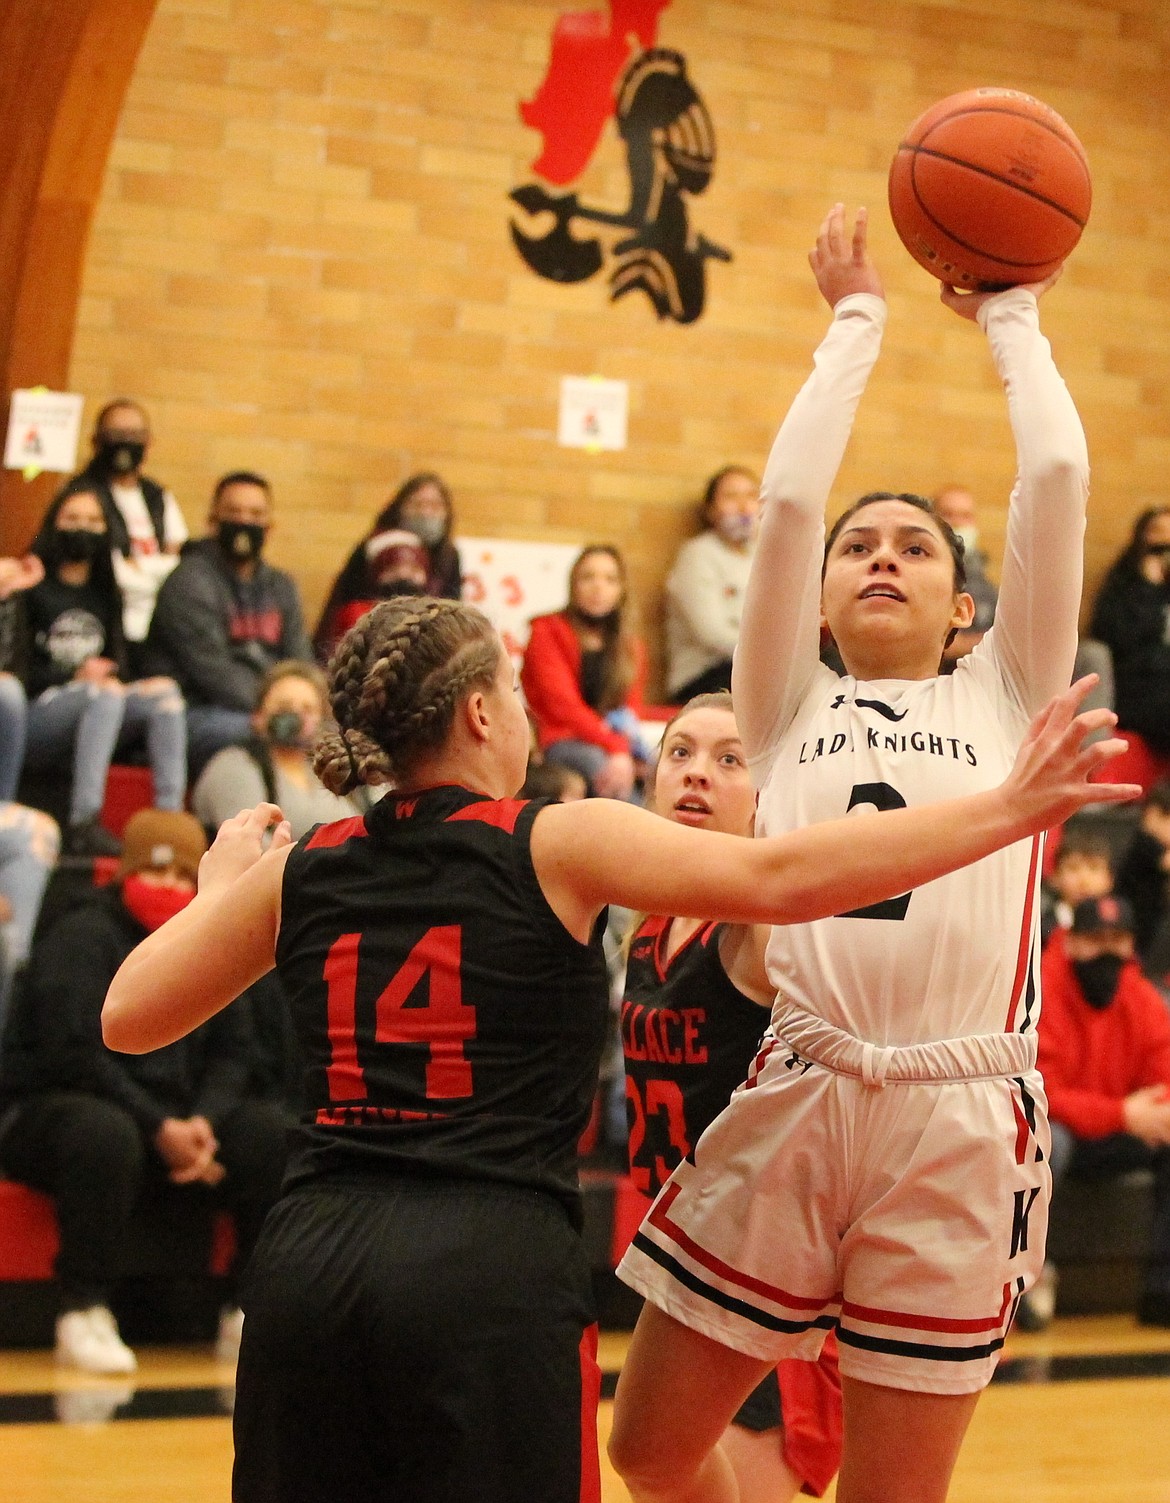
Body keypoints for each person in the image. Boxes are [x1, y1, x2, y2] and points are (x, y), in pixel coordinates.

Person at [99, 596, 1128, 1503]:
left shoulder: (304, 869)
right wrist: (1006, 808)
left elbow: (129, 1018)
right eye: (516, 686)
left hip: (310, 1260)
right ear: (480, 714)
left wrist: (216, 893)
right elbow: (784, 879)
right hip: (484, 1263)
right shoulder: (557, 837)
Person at [608, 205, 1097, 1503]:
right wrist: (855, 325)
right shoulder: (782, 708)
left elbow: (1051, 478)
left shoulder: (1005, 694)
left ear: (963, 608)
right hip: (801, 1082)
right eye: (857, 547)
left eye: (914, 546)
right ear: (816, 598)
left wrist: (1010, 316)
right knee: (645, 1445)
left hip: (957, 1110)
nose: (880, 555)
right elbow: (779, 505)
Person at [624, 690, 841, 1501]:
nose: (696, 775)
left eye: (728, 758)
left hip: (766, 1274)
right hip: (683, 1263)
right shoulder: (650, 921)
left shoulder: (757, 926)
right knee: (652, 1472)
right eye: (678, 752)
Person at [0, 810, 288, 1374]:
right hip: (62, 1108)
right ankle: (83, 1310)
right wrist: (159, 1126)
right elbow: (73, 1054)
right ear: (123, 873)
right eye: (154, 875)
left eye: (182, 877)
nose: (169, 889)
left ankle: (249, 1306)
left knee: (268, 1133)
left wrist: (204, 1120)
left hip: (178, 1116)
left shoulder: (213, 940)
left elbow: (237, 1048)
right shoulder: (83, 932)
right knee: (103, 1134)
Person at [17, 488, 188, 856]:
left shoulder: (105, 592)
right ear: (54, 524)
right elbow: (17, 674)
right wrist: (74, 677)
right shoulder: (33, 588)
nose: (83, 529)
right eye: (73, 519)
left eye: (93, 521)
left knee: (165, 695)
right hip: (37, 715)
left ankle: (168, 819)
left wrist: (132, 683)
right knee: (104, 693)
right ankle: (84, 820)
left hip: (98, 705)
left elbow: (115, 665)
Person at [1028, 895, 1170, 1330]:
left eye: (1118, 939)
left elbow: (1162, 1076)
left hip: (1115, 1130)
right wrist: (1122, 1115)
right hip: (1061, 1130)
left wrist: (1150, 1114)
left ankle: (1160, 1293)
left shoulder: (1141, 997)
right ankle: (1029, 1281)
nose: (1107, 950)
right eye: (1095, 939)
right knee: (1043, 1140)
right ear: (1071, 941)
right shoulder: (1041, 990)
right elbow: (1041, 1092)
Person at [145, 471, 312, 776]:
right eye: (234, 512)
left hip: (268, 710)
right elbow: (214, 673)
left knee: (335, 735)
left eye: (255, 514)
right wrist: (278, 712)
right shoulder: (188, 581)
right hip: (197, 712)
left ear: (270, 527)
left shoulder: (281, 586)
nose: (245, 522)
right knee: (279, 733)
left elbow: (301, 661)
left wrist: (309, 707)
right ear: (212, 521)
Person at [56, 399, 187, 664]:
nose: (126, 442)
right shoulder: (82, 495)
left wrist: (138, 568)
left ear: (149, 442)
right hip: (107, 623)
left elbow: (179, 565)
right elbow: (112, 571)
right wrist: (154, 568)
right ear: (96, 441)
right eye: (116, 434)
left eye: (135, 435)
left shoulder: (157, 496)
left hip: (160, 627)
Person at [521, 544, 650, 799]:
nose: (598, 586)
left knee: (657, 767)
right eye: (588, 577)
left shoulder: (631, 645)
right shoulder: (546, 631)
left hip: (613, 743)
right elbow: (562, 708)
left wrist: (626, 749)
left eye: (609, 579)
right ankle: (641, 838)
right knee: (601, 768)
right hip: (560, 740)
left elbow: (630, 710)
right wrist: (616, 748)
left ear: (621, 590)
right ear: (573, 585)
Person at [191, 660, 356, 840]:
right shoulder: (233, 767)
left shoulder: (330, 771)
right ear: (258, 717)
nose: (296, 717)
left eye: (307, 709)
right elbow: (250, 845)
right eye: (284, 707)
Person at [312, 472, 461, 657]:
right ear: (400, 508)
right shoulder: (374, 547)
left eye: (435, 506)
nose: (426, 513)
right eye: (417, 504)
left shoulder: (450, 556)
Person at [664, 466, 759, 701]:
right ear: (710, 510)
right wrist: (772, 655)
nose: (743, 507)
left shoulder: (764, 557)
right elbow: (712, 635)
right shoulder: (697, 555)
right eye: (731, 497)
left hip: (757, 668)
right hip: (705, 676)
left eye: (751, 496)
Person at [1090, 507, 1170, 750]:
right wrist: (1149, 587)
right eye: (1158, 532)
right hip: (1134, 690)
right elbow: (1119, 644)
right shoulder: (1122, 587)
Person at [312, 529, 430, 661]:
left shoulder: (433, 614)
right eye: (393, 569)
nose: (404, 575)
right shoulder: (356, 613)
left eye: (414, 569)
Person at [1040, 821, 1115, 947]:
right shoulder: (1043, 927)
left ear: (1109, 878)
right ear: (1055, 876)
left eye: (1094, 868)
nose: (1083, 880)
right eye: (1073, 868)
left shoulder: (1116, 928)